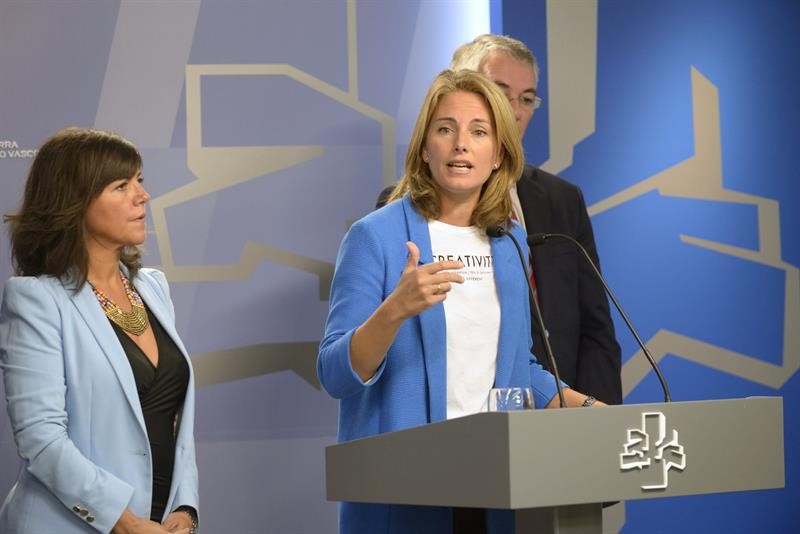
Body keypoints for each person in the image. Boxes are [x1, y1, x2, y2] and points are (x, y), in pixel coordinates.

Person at [320, 69, 604, 534]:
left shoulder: (509, 242)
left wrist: (592, 411)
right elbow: (334, 373)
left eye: (479, 132)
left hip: (494, 489)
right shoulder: (375, 236)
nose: (460, 145)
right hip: (405, 495)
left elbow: (518, 368)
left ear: (498, 155)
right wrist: (395, 310)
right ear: (424, 147)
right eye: (445, 129)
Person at [377, 34, 622, 406]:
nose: (516, 111)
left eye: (527, 99)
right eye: (501, 93)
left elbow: (595, 329)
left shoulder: (560, 201)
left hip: (556, 405)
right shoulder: (394, 217)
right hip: (451, 419)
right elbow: (355, 363)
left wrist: (596, 418)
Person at [0, 128, 199, 534]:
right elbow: (41, 438)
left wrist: (186, 506)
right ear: (75, 201)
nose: (142, 196)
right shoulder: (36, 300)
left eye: (139, 180)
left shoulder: (153, 288)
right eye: (121, 186)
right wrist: (123, 522)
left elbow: (173, 421)